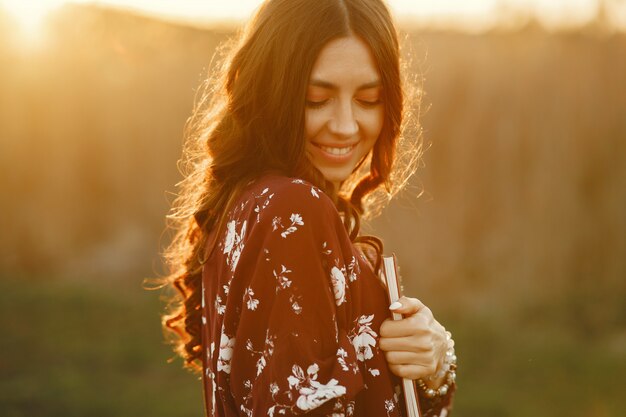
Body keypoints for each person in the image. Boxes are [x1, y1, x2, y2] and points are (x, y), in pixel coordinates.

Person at [159, 1, 457, 416]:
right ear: (272, 93)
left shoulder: (251, 204)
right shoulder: (290, 210)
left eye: (369, 99)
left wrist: (434, 364)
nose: (346, 125)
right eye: (317, 99)